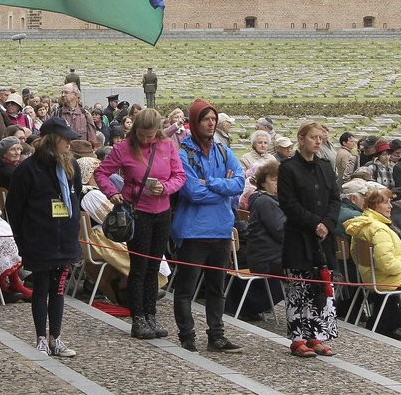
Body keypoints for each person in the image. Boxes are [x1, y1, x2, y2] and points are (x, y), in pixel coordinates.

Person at [95, 108, 185, 340]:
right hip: (137, 212)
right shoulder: (123, 148)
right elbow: (102, 173)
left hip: (162, 210)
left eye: (151, 136)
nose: (146, 140)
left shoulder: (166, 146)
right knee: (139, 266)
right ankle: (138, 317)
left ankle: (151, 315)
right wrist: (112, 193)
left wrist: (165, 188)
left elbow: (179, 175)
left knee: (154, 267)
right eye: (143, 136)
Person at [5, 117, 83, 358]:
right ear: (52, 140)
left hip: (64, 239)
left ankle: (55, 337)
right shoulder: (27, 169)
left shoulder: (71, 166)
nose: (69, 143)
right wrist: (22, 238)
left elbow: (76, 197)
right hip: (39, 238)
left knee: (59, 290)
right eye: (65, 139)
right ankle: (40, 337)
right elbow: (15, 207)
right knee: (41, 288)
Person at [172, 99, 245, 353]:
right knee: (186, 288)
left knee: (217, 288)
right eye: (206, 119)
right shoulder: (183, 153)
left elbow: (238, 184)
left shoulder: (224, 151)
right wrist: (222, 188)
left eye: (213, 119)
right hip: (193, 231)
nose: (211, 123)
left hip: (221, 230)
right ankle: (187, 335)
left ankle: (217, 334)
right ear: (195, 122)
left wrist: (210, 182)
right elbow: (192, 192)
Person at [345, 187, 401, 347]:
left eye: (389, 202)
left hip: (372, 275)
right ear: (374, 206)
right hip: (386, 277)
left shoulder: (363, 223)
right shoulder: (378, 228)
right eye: (385, 203)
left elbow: (356, 254)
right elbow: (386, 262)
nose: (390, 206)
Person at [278, 121, 341, 357]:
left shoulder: (325, 166)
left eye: (321, 138)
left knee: (319, 289)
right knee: (299, 290)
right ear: (301, 138)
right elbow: (289, 203)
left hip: (323, 238)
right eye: (313, 137)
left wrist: (327, 223)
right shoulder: (288, 168)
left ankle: (317, 336)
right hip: (300, 236)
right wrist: (315, 223)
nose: (318, 141)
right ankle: (297, 338)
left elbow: (335, 199)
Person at [242, 159, 285, 320]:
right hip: (268, 259)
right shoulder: (265, 201)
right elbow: (281, 230)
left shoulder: (266, 199)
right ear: (263, 182)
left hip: (265, 255)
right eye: (273, 180)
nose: (277, 183)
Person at [57, 83, 98, 147]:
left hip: (81, 153)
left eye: (66, 92)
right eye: (62, 92)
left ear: (75, 95)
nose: (63, 95)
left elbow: (92, 139)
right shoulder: (57, 114)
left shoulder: (85, 115)